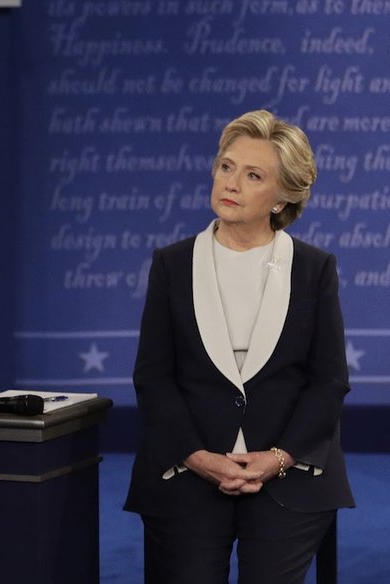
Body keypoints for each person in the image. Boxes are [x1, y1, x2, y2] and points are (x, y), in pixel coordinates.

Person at [123, 109, 354, 584]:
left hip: (287, 475)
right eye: (226, 167)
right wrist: (196, 456)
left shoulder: (313, 268)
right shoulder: (171, 265)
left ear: (282, 196)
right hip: (188, 470)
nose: (231, 183)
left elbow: (328, 381)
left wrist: (279, 457)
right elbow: (153, 376)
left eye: (253, 175)